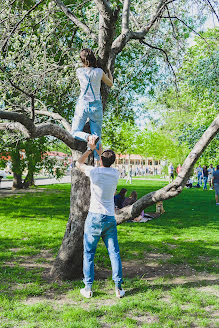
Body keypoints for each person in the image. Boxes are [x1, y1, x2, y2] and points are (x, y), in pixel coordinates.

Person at [76, 140, 124, 299]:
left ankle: (88, 288)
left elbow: (78, 163)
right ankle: (118, 288)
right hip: (110, 217)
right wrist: (99, 150)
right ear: (113, 161)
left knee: (89, 253)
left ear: (101, 160)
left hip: (94, 217)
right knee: (114, 253)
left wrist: (90, 149)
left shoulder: (94, 172)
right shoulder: (116, 173)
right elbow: (102, 161)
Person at [72, 48, 113, 160]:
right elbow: (110, 84)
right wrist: (108, 72)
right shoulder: (99, 72)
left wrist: (87, 137)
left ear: (82, 60)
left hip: (83, 104)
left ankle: (88, 137)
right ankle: (98, 162)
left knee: (75, 132)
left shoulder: (79, 71)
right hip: (96, 106)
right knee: (97, 136)